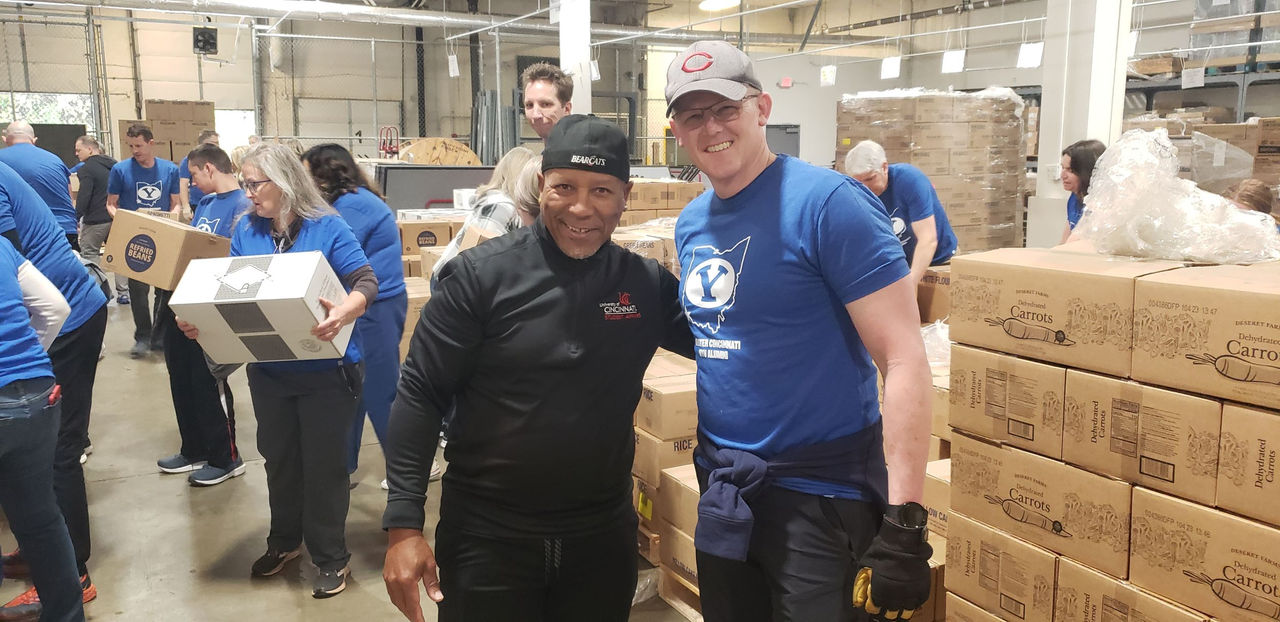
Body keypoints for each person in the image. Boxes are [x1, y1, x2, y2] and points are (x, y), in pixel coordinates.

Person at [382, 115, 695, 622]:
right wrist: (403, 525)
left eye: (601, 190)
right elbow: (421, 393)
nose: (581, 207)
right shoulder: (480, 278)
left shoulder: (645, 286)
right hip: (488, 536)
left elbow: (726, 346)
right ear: (542, 185)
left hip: (601, 536)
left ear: (625, 196)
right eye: (564, 187)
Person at [664, 40, 934, 622]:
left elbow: (904, 358)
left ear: (761, 108)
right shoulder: (691, 223)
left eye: (726, 109)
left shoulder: (829, 205)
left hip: (820, 495)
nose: (711, 127)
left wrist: (905, 522)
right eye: (693, 115)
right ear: (677, 131)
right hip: (726, 490)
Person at [175, 144, 375, 598]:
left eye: (254, 184)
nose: (247, 194)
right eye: (246, 184)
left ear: (284, 184)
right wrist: (201, 321)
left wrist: (345, 309)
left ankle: (331, 557)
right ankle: (285, 541)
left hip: (328, 372)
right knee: (279, 460)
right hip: (270, 370)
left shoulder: (328, 227)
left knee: (323, 467)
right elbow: (233, 296)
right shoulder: (247, 230)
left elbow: (366, 281)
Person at [0, 161, 108, 619]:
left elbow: (11, 259)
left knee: (61, 453)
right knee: (35, 481)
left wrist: (27, 361)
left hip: (67, 316)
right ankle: (40, 555)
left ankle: (73, 574)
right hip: (56, 311)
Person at [301, 143, 407, 488]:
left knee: (379, 392)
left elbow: (324, 251)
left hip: (376, 307)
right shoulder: (348, 201)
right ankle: (341, 467)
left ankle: (408, 471)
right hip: (362, 306)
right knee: (352, 390)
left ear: (326, 174)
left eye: (306, 174)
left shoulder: (353, 205)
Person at [0, 237, 84, 622]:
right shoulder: (3, 247)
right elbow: (54, 307)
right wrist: (26, 364)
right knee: (41, 519)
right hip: (38, 394)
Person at [156, 143, 249, 486]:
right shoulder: (207, 203)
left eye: (194, 175)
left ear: (209, 168)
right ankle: (194, 447)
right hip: (185, 298)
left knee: (208, 379)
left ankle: (226, 457)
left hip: (215, 304)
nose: (192, 183)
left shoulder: (243, 206)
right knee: (180, 374)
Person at [107, 123, 183, 358]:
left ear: (151, 143)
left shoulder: (170, 170)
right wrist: (124, 222)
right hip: (136, 238)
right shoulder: (120, 170)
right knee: (138, 290)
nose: (135, 151)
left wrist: (172, 220)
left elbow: (176, 203)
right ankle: (142, 336)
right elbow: (111, 204)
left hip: (163, 236)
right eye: (131, 146)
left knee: (164, 290)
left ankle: (159, 336)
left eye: (139, 146)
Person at [845, 140, 958, 284]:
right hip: (901, 267)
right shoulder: (856, 192)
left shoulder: (909, 180)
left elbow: (928, 239)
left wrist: (910, 285)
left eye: (870, 179)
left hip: (939, 262)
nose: (865, 187)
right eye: (859, 182)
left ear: (884, 167)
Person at [429, 146, 538, 286]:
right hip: (451, 282)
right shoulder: (501, 206)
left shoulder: (502, 202)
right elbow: (484, 255)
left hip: (457, 278)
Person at [0, 121, 79, 249]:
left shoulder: (2, 160)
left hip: (27, 235)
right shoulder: (55, 160)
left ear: (4, 139)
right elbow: (70, 199)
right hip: (66, 231)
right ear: (34, 140)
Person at [71, 138, 117, 278]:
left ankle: (98, 286)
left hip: (95, 219)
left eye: (79, 150)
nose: (76, 154)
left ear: (90, 149)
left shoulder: (86, 169)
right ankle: (123, 289)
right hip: (116, 217)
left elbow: (84, 196)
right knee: (118, 256)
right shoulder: (115, 165)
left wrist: (76, 217)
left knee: (90, 253)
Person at [1059, 139, 1106, 243]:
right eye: (1062, 168)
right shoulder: (1074, 197)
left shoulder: (1101, 207)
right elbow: (1064, 242)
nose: (1062, 176)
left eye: (1070, 170)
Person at [521, 62, 573, 141]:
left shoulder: (584, 147)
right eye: (529, 105)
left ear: (566, 109)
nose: (535, 115)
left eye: (545, 104)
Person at [178, 129, 220, 211]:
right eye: (214, 143)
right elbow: (183, 183)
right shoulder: (190, 160)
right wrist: (186, 206)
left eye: (218, 143)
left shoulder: (219, 160)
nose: (217, 146)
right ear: (203, 143)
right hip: (197, 204)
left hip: (217, 202)